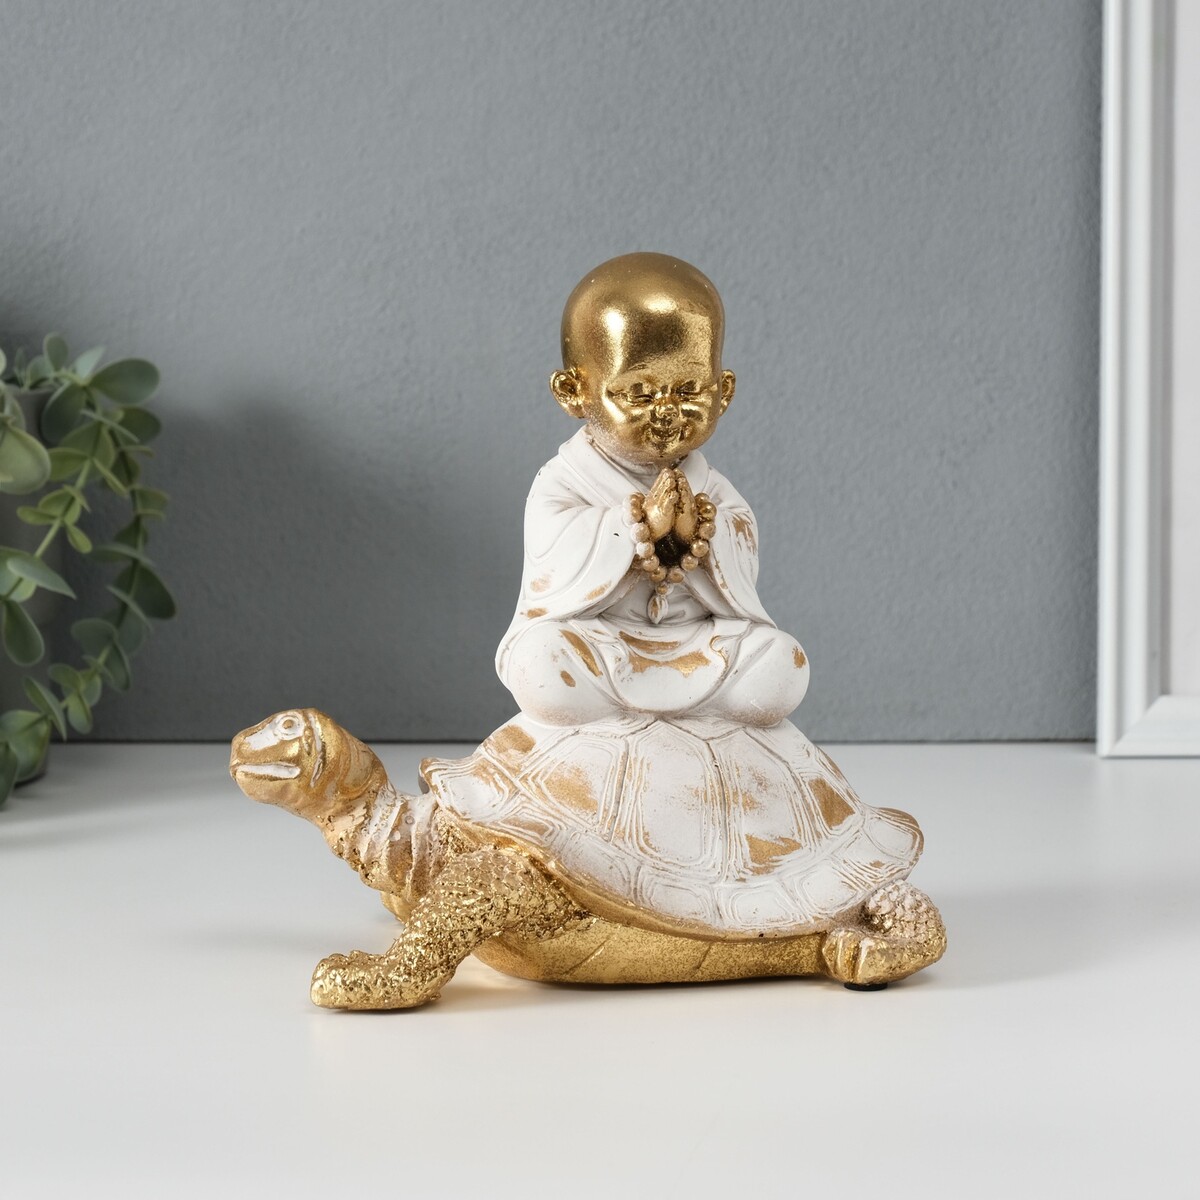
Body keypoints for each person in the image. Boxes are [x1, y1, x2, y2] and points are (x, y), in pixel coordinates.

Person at [496, 252, 809, 728]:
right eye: (639, 394)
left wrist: (702, 530)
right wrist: (637, 525)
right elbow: (553, 561)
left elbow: (741, 546)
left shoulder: (711, 487)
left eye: (689, 390)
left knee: (782, 663)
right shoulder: (564, 481)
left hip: (700, 646)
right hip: (601, 644)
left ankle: (699, 724)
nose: (667, 411)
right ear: (573, 392)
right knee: (541, 663)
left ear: (724, 391)